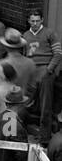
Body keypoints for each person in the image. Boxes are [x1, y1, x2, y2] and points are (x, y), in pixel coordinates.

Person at [21, 8, 62, 143]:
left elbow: (58, 53)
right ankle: (20, 132)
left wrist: (48, 70)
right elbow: (23, 55)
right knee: (24, 101)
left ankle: (44, 137)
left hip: (45, 72)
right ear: (28, 21)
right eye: (32, 21)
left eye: (37, 21)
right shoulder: (25, 35)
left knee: (45, 105)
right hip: (31, 71)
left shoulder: (49, 33)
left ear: (42, 20)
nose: (35, 23)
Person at [0, 27, 37, 103]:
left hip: (4, 105)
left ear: (5, 46)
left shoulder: (1, 64)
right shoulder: (30, 63)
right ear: (20, 46)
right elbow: (33, 88)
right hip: (22, 104)